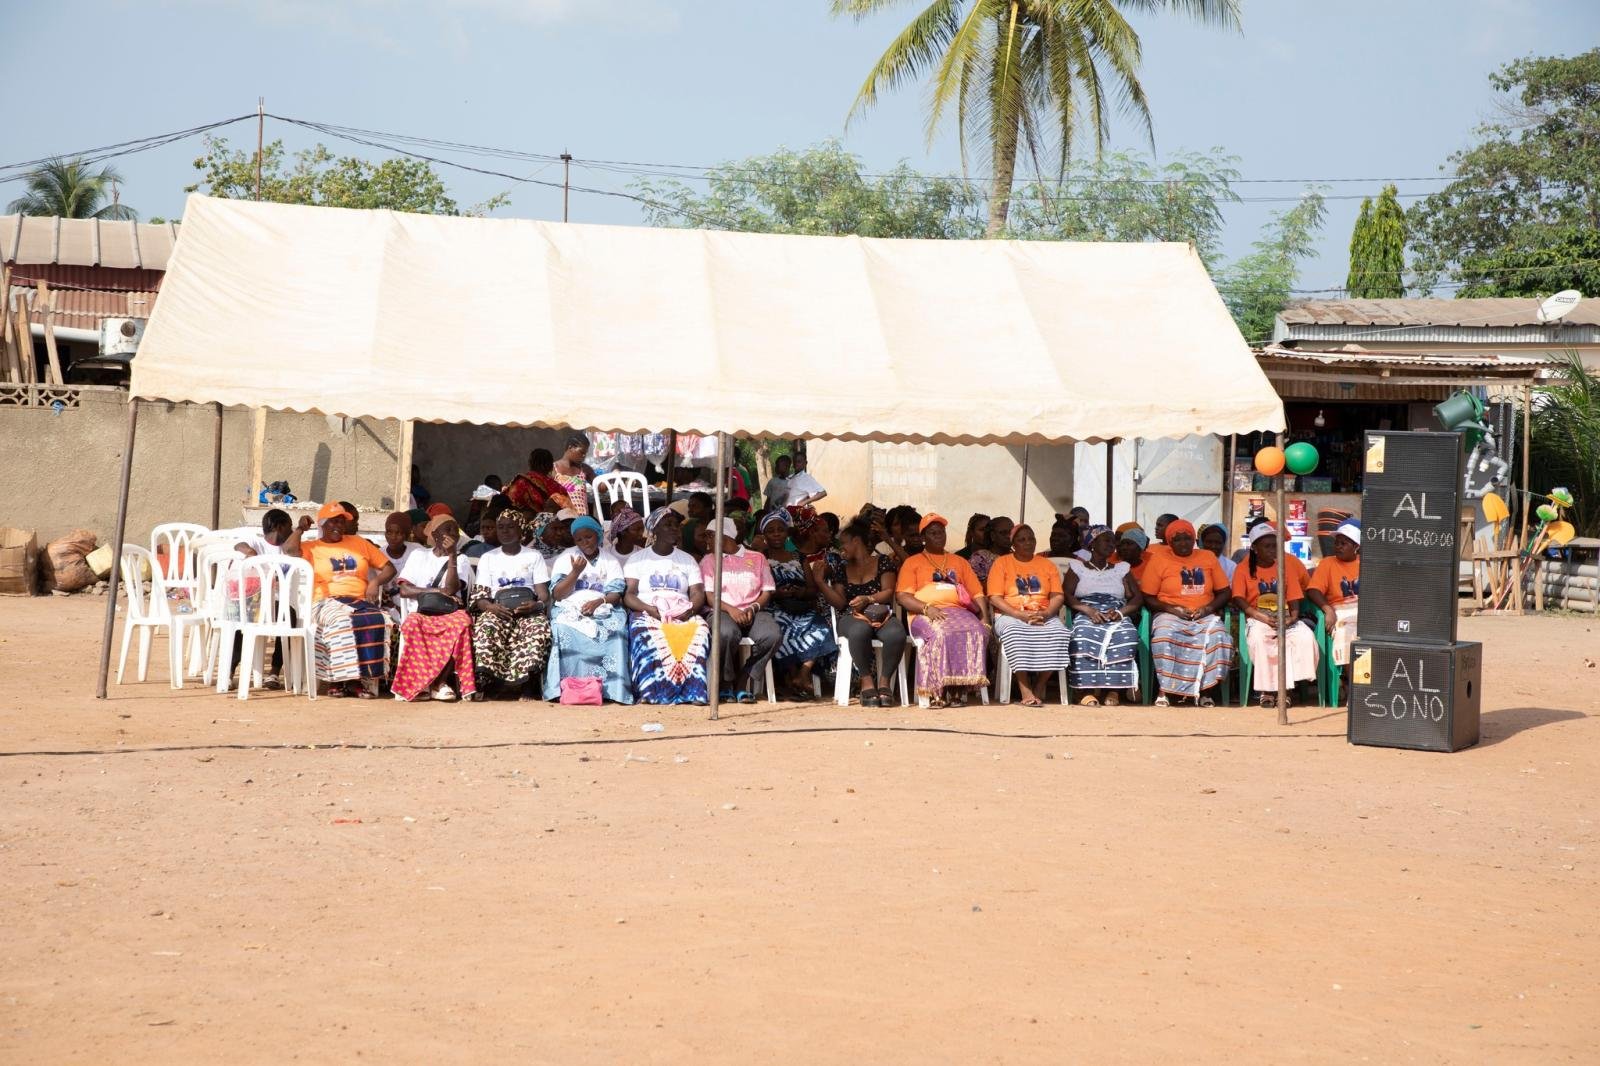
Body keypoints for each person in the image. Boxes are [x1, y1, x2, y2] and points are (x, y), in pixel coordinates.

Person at [299, 502, 395, 699]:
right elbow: (289, 550)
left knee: (379, 618)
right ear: (322, 525)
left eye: (342, 522)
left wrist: (375, 581)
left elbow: (389, 568)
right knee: (343, 620)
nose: (338, 526)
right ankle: (340, 680)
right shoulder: (311, 547)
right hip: (324, 601)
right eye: (333, 521)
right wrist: (300, 529)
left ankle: (363, 679)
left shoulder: (359, 543)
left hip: (358, 601)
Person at [896, 514, 989, 708]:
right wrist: (926, 608)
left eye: (942, 532)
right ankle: (936, 691)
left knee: (975, 630)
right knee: (941, 632)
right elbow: (903, 596)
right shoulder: (912, 562)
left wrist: (985, 619)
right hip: (924, 613)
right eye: (933, 533)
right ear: (923, 538)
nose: (939, 536)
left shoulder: (960, 561)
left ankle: (956, 690)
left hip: (959, 611)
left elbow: (978, 593)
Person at [1140, 518, 1233, 707]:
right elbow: (1147, 596)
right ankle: (1164, 690)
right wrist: (1171, 609)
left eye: (1187, 539)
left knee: (1219, 637)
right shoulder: (1159, 559)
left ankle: (1206, 691)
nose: (1183, 543)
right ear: (1170, 542)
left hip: (1204, 614)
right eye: (1178, 540)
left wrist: (1207, 609)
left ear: (1194, 540)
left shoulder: (1207, 557)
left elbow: (1225, 592)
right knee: (1164, 636)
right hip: (1170, 613)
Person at [623, 510, 711, 704]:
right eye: (668, 524)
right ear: (654, 529)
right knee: (642, 632)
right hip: (648, 611)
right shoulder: (638, 559)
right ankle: (649, 692)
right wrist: (650, 609)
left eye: (676, 525)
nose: (674, 529)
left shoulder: (687, 560)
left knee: (701, 630)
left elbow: (697, 592)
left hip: (682, 611)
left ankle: (693, 692)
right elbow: (629, 595)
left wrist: (690, 611)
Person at [391, 516, 478, 703]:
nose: (453, 534)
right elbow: (405, 589)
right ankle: (421, 683)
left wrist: (452, 555)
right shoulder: (419, 555)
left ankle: (439, 683)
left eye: (455, 530)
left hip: (449, 612)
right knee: (412, 624)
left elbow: (452, 589)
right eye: (448, 529)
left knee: (462, 623)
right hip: (421, 612)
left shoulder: (460, 559)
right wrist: (437, 591)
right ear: (435, 534)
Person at [818, 518, 905, 707]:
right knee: (860, 631)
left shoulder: (883, 562)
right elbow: (840, 603)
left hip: (880, 612)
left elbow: (889, 592)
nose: (842, 549)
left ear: (856, 541)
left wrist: (868, 599)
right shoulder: (842, 568)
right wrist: (821, 583)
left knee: (896, 633)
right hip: (850, 616)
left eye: (844, 544)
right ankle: (866, 682)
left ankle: (884, 683)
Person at [1233, 523, 1320, 709]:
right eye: (1268, 546)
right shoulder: (1242, 569)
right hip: (1258, 617)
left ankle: (1286, 690)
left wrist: (1292, 618)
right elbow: (1239, 600)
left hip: (1285, 616)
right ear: (1255, 548)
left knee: (1304, 637)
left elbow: (1295, 599)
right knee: (1260, 639)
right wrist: (1261, 617)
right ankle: (1267, 691)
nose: (1273, 550)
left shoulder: (1285, 568)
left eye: (1276, 545)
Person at [545, 515, 631, 704]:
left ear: (598, 535)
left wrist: (598, 602)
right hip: (570, 607)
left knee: (616, 631)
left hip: (603, 606)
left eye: (589, 537)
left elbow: (615, 594)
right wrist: (575, 572)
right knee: (562, 628)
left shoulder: (610, 560)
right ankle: (568, 687)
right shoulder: (566, 557)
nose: (585, 542)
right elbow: (558, 595)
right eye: (579, 539)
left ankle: (612, 690)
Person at [987, 523, 1071, 708]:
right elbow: (994, 597)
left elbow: (1057, 595)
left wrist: (1047, 613)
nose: (1028, 543)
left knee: (1060, 634)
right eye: (1022, 539)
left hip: (1043, 614)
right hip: (1010, 614)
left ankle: (1040, 685)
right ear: (1013, 544)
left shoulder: (1046, 565)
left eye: (1031, 538)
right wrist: (1019, 615)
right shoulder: (1002, 563)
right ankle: (1025, 689)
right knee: (1015, 634)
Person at [471, 509, 553, 698]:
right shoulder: (488, 558)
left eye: (510, 527)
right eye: (501, 527)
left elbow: (543, 595)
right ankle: (492, 683)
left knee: (538, 627)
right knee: (487, 626)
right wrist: (491, 607)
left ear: (521, 530)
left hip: (528, 609)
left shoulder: (534, 556)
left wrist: (536, 606)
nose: (505, 531)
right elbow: (481, 596)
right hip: (498, 608)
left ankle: (527, 685)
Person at [700, 517, 779, 703]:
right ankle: (726, 682)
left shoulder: (757, 558)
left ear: (724, 536)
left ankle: (744, 679)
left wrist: (753, 607)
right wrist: (732, 610)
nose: (706, 541)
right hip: (722, 610)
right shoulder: (709, 560)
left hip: (753, 610)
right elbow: (710, 596)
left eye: (709, 536)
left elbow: (767, 591)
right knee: (726, 633)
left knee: (772, 635)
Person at [762, 507, 838, 700]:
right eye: (771, 531)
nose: (777, 533)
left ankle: (803, 674)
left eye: (780, 529)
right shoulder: (759, 557)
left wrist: (800, 591)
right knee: (783, 628)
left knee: (820, 626)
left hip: (800, 605)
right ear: (764, 535)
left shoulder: (799, 557)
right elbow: (756, 589)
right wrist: (776, 593)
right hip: (773, 607)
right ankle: (790, 677)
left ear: (787, 532)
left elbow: (813, 590)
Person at [1064, 525, 1143, 707]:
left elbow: (1138, 597)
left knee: (1127, 634)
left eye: (1113, 541)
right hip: (1087, 611)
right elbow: (1067, 594)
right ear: (1092, 543)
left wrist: (1120, 613)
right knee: (1082, 634)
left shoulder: (1121, 568)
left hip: (1115, 611)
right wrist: (1088, 610)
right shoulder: (1078, 567)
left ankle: (1114, 690)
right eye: (1106, 540)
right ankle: (1085, 691)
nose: (1112, 544)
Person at [1306, 520, 1361, 668]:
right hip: (1340, 610)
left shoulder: (1366, 563)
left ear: (1356, 546)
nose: (1338, 546)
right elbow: (1313, 590)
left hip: (1364, 611)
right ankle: (1350, 684)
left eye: (1344, 543)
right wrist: (1328, 609)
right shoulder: (1327, 563)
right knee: (1347, 633)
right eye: (1337, 542)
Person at [506, 448, 572, 514]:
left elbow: (508, 502)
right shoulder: (557, 487)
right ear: (550, 466)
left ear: (530, 463)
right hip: (550, 522)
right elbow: (567, 510)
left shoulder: (521, 481)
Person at [235, 508, 308, 558]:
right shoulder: (257, 543)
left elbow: (291, 550)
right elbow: (237, 546)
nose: (292, 531)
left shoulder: (290, 546)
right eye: (290, 526)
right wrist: (250, 551)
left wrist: (300, 529)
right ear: (280, 527)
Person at [552, 435, 595, 517]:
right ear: (570, 447)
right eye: (581, 452)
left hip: (582, 522)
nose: (584, 456)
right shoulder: (554, 469)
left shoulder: (584, 469)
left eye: (585, 453)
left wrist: (615, 472)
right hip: (563, 520)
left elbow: (600, 487)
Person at [969, 515, 1013, 584]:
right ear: (993, 535)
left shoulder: (1018, 556)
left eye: (1011, 532)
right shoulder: (980, 558)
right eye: (1003, 533)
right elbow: (978, 587)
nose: (1008, 536)